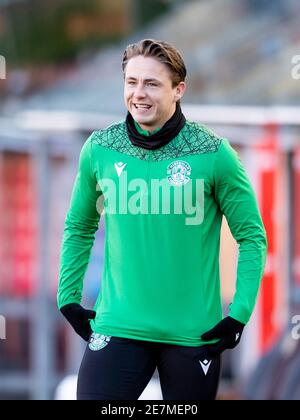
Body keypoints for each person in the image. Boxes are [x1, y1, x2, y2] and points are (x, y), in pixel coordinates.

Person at [57, 39, 267, 400]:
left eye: (151, 83)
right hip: (117, 327)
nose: (139, 93)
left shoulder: (215, 154)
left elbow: (252, 236)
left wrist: (240, 312)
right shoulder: (100, 149)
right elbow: (79, 226)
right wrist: (68, 296)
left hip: (192, 336)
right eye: (131, 82)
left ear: (178, 90)